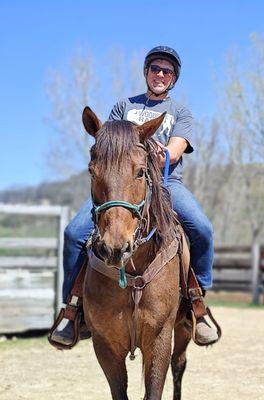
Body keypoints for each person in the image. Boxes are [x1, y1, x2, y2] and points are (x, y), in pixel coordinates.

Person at [51, 46, 219, 346]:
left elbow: (176, 150)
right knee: (74, 232)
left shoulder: (179, 112)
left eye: (167, 71)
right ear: (146, 72)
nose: (160, 75)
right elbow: (107, 144)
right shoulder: (122, 106)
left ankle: (198, 303)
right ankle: (72, 309)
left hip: (166, 183)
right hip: (118, 187)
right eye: (155, 68)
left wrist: (162, 151)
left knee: (202, 228)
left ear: (173, 78)